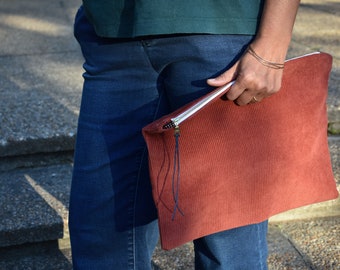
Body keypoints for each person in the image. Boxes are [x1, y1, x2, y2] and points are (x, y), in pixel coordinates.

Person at [69, 0, 300, 269]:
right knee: (102, 230)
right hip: (115, 32)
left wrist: (274, 39)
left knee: (228, 240)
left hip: (222, 33)